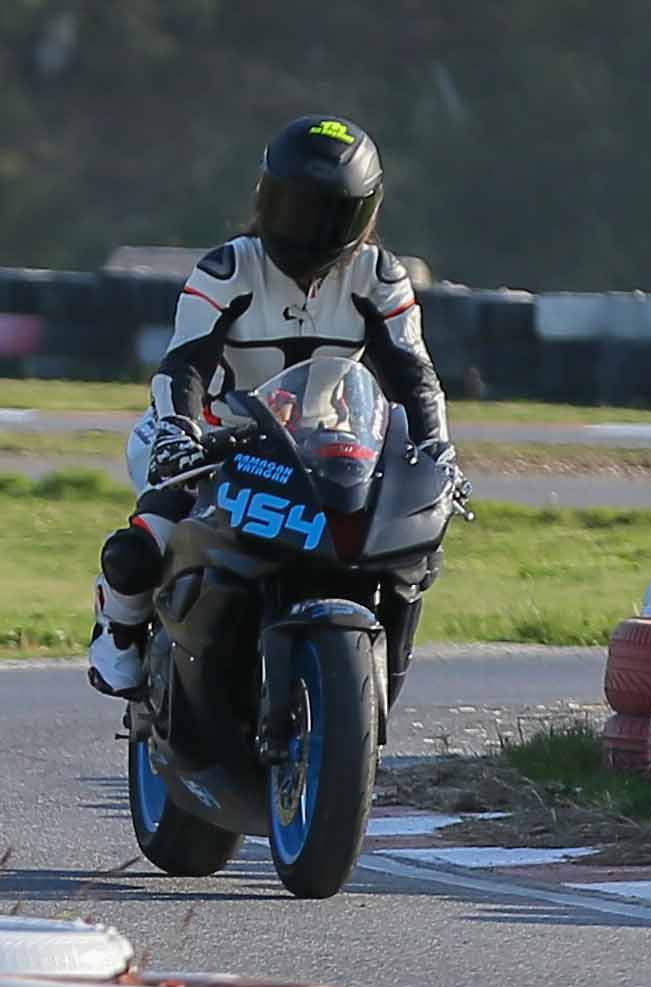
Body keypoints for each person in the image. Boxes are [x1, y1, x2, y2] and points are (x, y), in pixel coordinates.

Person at [88, 114, 464, 696]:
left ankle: (370, 669)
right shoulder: (228, 269)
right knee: (144, 546)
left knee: (407, 548)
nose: (305, 228)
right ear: (264, 197)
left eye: (326, 213)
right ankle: (118, 631)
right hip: (215, 439)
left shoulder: (380, 277)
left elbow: (413, 375)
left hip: (325, 446)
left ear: (362, 215)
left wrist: (437, 448)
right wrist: (178, 431)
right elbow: (184, 364)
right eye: (292, 207)